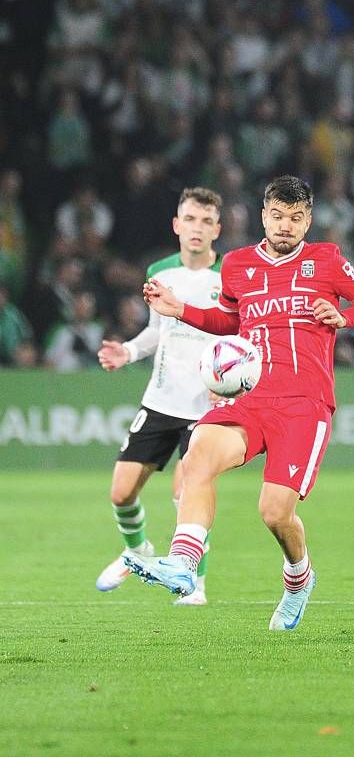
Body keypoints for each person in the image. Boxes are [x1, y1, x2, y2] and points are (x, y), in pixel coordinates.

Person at [125, 175, 354, 630]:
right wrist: (180, 310)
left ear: (308, 221)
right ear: (264, 216)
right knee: (198, 454)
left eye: (297, 218)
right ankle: (183, 563)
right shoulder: (239, 265)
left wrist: (344, 316)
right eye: (278, 216)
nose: (286, 225)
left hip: (306, 402)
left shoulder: (325, 261)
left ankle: (298, 579)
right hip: (252, 396)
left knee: (274, 512)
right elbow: (229, 320)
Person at [95, 187, 225, 607]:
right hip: (160, 400)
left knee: (187, 492)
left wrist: (226, 384)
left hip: (206, 407)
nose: (197, 228)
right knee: (120, 493)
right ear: (176, 224)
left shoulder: (229, 278)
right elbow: (157, 330)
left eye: (206, 221)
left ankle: (196, 582)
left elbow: (240, 336)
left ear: (217, 230)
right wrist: (128, 351)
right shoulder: (160, 271)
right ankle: (137, 550)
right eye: (190, 219)